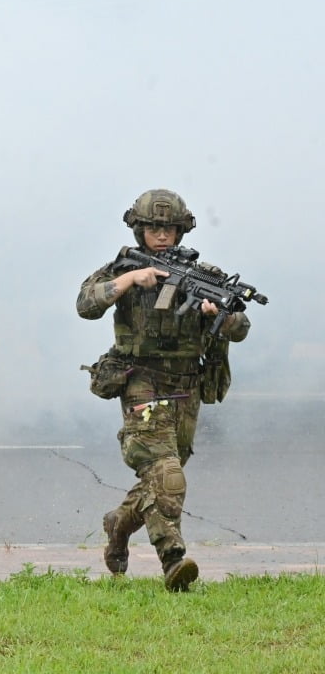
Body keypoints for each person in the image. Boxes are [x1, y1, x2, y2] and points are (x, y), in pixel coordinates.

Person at [77, 189, 252, 592]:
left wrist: (221, 318)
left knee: (163, 479)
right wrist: (128, 280)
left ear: (181, 230)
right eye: (153, 227)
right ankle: (173, 559)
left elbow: (241, 328)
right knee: (167, 475)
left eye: (168, 227)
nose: (161, 235)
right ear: (139, 230)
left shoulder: (204, 273)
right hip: (141, 381)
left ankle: (119, 523)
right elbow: (86, 303)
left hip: (186, 386)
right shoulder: (123, 269)